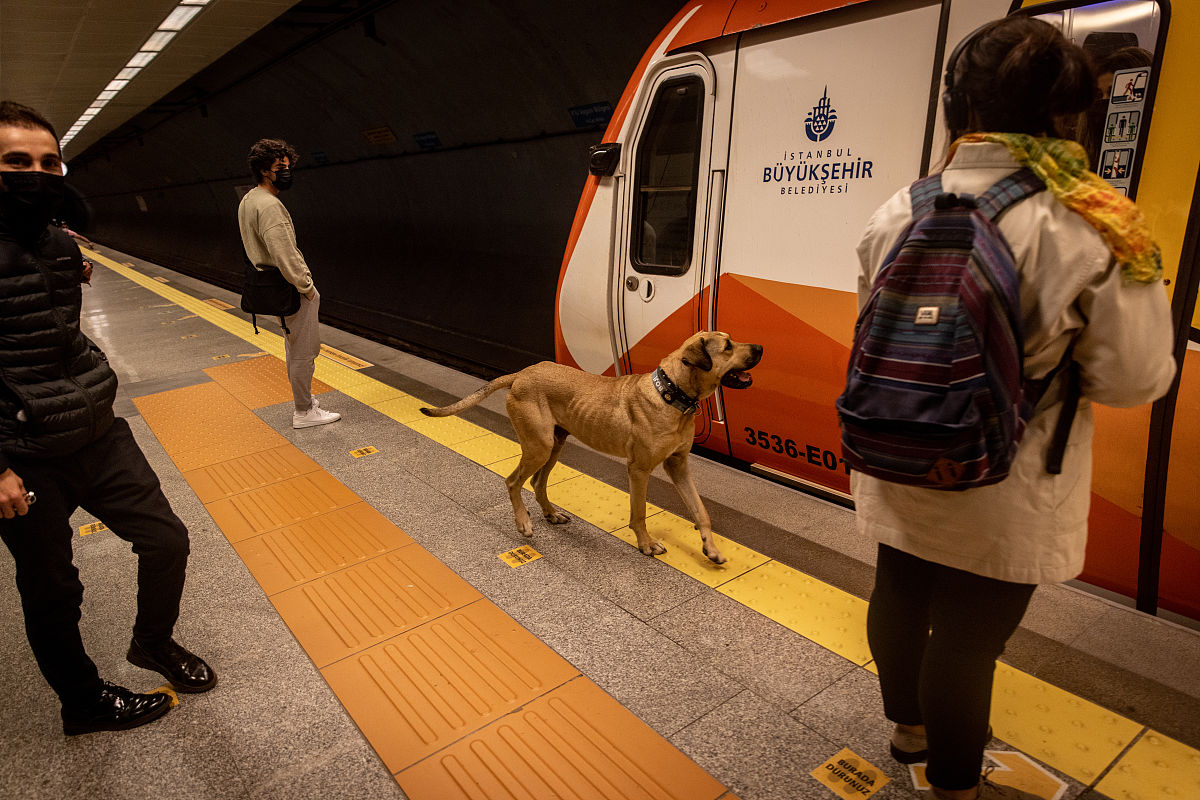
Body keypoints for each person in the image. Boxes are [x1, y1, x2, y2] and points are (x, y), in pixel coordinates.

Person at [852, 18, 1175, 800]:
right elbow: (1135, 378)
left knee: (899, 591)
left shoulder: (900, 207)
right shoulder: (1092, 224)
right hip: (1009, 476)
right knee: (965, 645)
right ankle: (955, 785)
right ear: (1069, 113)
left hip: (897, 447)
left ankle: (908, 733)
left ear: (958, 106)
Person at [0, 100, 216, 735]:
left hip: (97, 430)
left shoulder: (59, 244)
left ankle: (152, 642)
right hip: (25, 452)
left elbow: (60, 329)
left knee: (166, 539)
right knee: (54, 592)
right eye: (16, 162)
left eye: (48, 162)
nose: (36, 174)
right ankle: (85, 704)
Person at [237, 139, 340, 428]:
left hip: (266, 284)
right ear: (263, 170)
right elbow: (284, 252)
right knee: (304, 352)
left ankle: (304, 402)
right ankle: (304, 411)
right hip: (289, 288)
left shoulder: (249, 199)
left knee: (294, 347)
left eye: (288, 165)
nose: (287, 171)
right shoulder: (270, 206)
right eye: (279, 167)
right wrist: (306, 286)